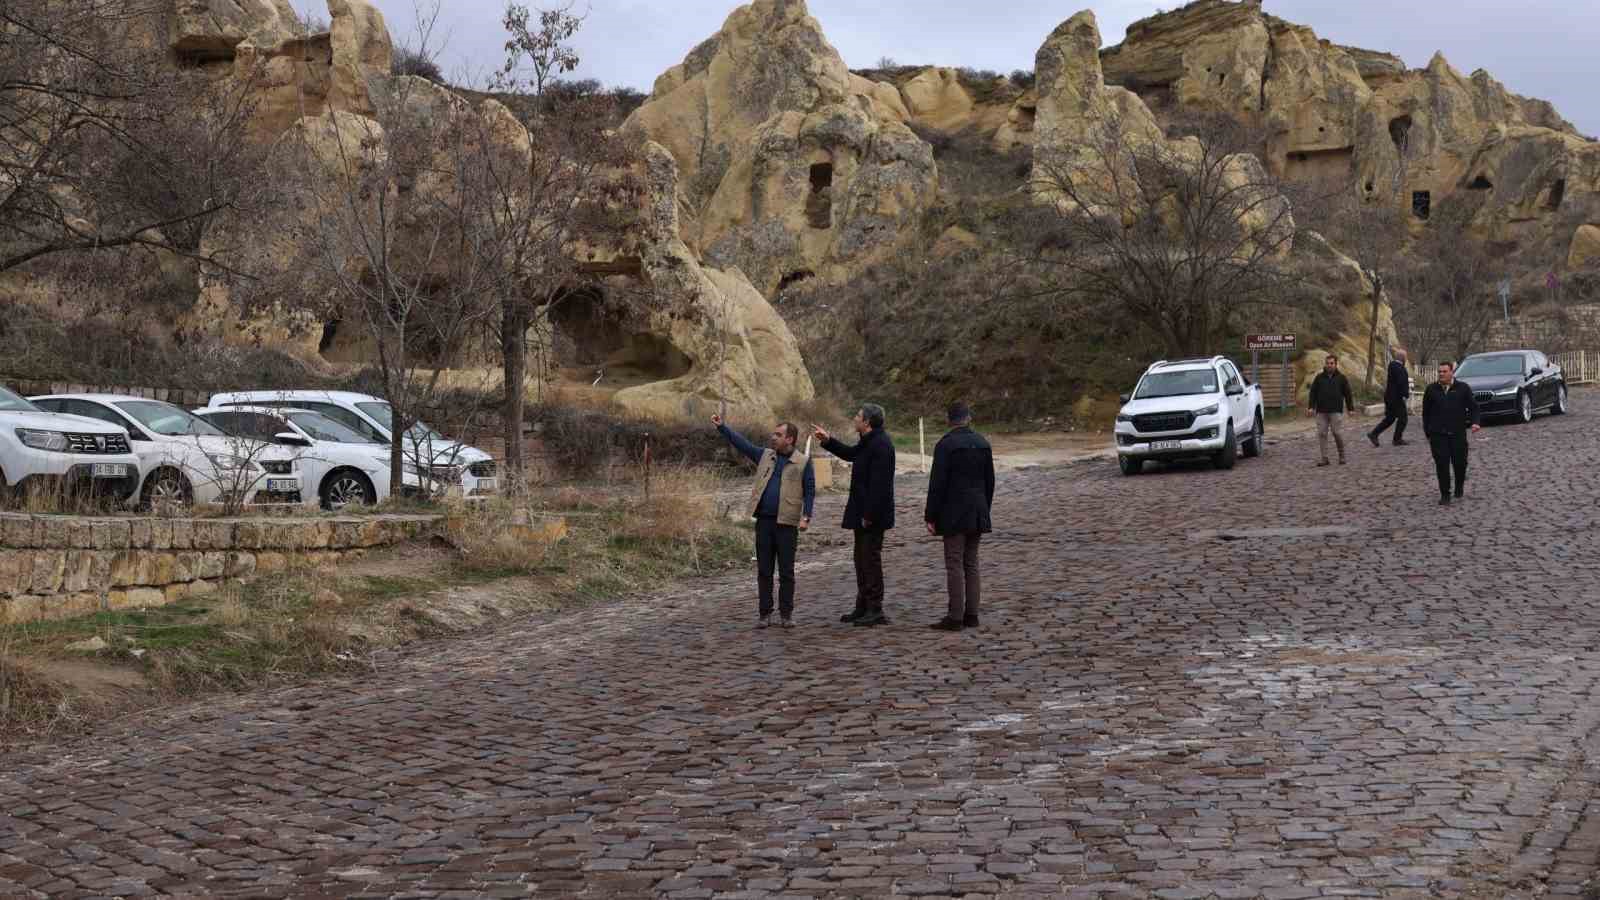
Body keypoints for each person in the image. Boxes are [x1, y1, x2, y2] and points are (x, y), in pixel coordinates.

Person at [713, 414, 815, 628]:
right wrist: (723, 427)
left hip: (787, 524)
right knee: (764, 570)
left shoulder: (803, 462)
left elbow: (809, 490)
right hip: (764, 522)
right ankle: (765, 613)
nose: (773, 438)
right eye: (773, 434)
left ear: (790, 439)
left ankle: (786, 614)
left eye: (778, 435)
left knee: (786, 572)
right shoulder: (765, 455)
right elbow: (742, 444)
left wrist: (806, 517)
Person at [814, 404, 896, 628]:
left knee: (870, 560)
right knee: (861, 560)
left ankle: (875, 609)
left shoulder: (881, 445)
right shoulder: (868, 441)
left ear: (867, 422)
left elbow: (880, 486)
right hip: (862, 511)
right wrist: (828, 440)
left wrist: (869, 514)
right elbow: (851, 454)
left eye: (858, 416)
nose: (854, 418)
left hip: (872, 515)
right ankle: (863, 606)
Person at [923, 402, 995, 632]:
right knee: (971, 562)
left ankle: (955, 616)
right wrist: (985, 508)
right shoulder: (983, 443)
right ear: (968, 418)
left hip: (953, 511)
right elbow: (990, 482)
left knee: (954, 563)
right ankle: (972, 615)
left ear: (949, 420)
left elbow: (937, 484)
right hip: (978, 509)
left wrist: (930, 515)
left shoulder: (946, 445)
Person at [1421, 361, 1481, 506]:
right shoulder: (1431, 389)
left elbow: (1474, 407)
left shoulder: (1463, 388)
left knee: (1460, 463)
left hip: (1457, 433)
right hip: (1438, 434)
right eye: (1439, 372)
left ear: (1451, 372)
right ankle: (1445, 494)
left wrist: (1475, 422)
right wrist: (1428, 432)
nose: (1441, 374)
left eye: (1444, 371)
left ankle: (1459, 486)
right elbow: (1425, 413)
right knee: (1441, 464)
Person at [1307, 354, 1355, 466]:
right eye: (1327, 363)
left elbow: (1348, 394)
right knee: (1322, 433)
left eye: (1331, 363)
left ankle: (1342, 455)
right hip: (1321, 411)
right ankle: (1324, 458)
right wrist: (1311, 407)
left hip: (1335, 410)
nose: (1329, 365)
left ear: (1336, 364)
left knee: (1336, 432)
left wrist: (1350, 408)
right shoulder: (1319, 378)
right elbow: (1313, 393)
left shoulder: (1341, 378)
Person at [1368, 347, 1412, 447]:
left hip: (1390, 397)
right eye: (1405, 357)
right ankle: (1397, 439)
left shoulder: (1393, 366)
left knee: (1390, 418)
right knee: (1403, 418)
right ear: (1403, 358)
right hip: (1397, 398)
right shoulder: (1399, 368)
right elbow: (1401, 383)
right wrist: (1405, 395)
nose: (1406, 359)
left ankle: (1374, 434)